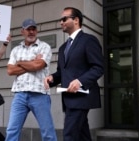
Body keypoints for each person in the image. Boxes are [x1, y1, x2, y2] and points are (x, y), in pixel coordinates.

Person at [44, 7, 104, 141]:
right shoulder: (62, 48)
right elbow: (62, 72)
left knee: (69, 135)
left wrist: (80, 81)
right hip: (68, 97)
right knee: (82, 135)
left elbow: (98, 67)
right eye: (60, 19)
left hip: (82, 96)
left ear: (76, 20)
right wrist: (52, 78)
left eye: (64, 19)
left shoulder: (89, 40)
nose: (61, 22)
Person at [5, 18, 57, 141]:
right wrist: (32, 62)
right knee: (11, 130)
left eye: (34, 29)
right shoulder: (16, 50)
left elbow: (38, 66)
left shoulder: (44, 47)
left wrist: (20, 63)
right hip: (20, 95)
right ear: (22, 31)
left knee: (47, 132)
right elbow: (10, 71)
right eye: (29, 29)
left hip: (39, 94)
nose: (32, 32)